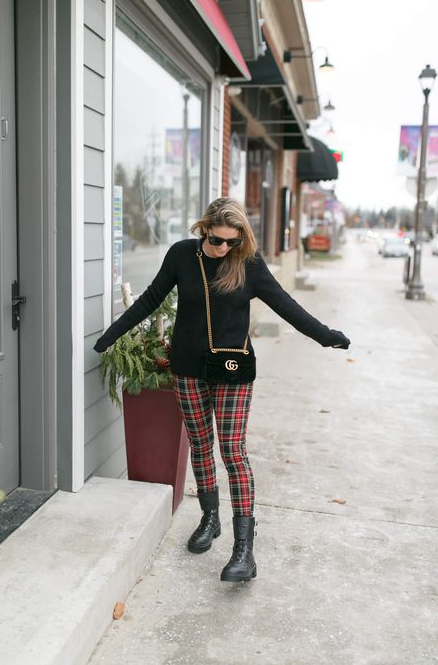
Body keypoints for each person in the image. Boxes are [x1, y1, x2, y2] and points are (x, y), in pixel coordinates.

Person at [94, 197, 350, 583]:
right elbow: (150, 299)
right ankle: (209, 517)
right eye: (217, 241)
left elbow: (286, 305)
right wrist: (110, 337)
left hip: (232, 370)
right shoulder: (182, 255)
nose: (224, 248)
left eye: (232, 241)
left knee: (232, 449)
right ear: (203, 230)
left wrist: (326, 336)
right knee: (199, 444)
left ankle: (243, 550)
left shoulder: (247, 262)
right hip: (188, 368)